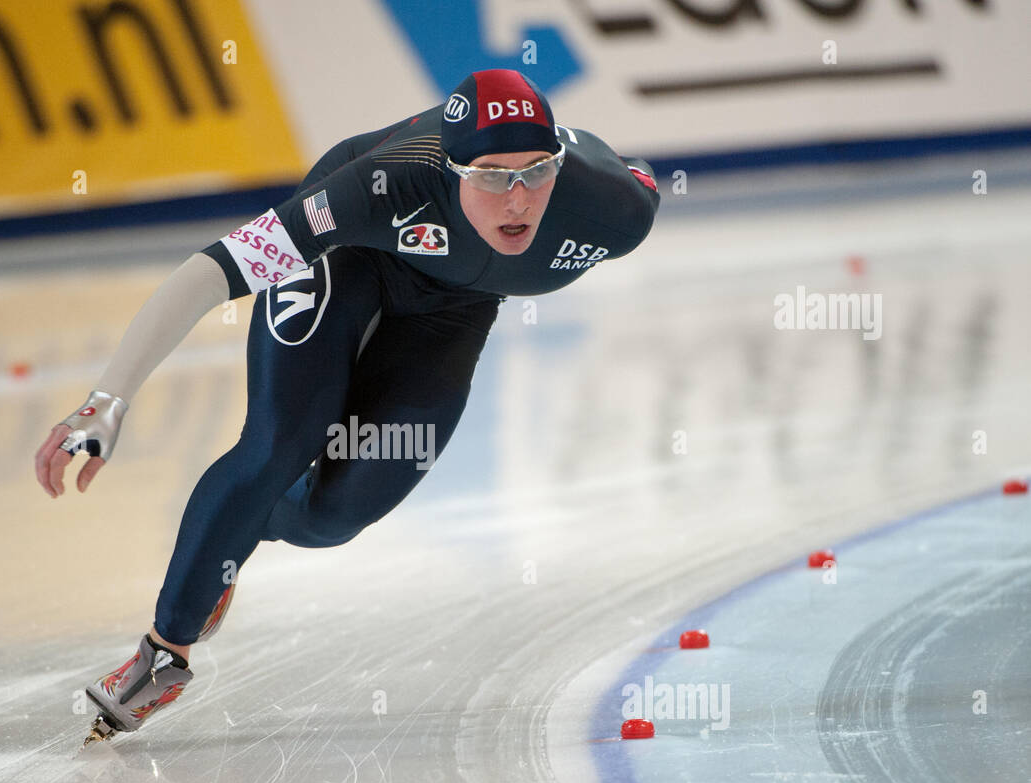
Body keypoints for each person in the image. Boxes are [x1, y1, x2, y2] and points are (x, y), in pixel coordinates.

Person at [34, 69, 661, 745]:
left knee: (336, 514)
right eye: (488, 176)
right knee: (282, 442)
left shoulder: (611, 208)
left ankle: (236, 534)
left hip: (454, 309)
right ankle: (163, 657)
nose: (516, 201)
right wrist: (107, 400)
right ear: (450, 170)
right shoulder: (378, 188)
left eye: (535, 173)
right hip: (350, 253)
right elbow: (212, 271)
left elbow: (640, 175)